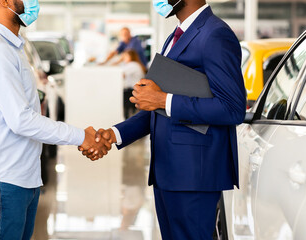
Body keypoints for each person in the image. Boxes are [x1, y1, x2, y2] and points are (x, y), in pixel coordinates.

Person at [82, 0, 246, 239]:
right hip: (169, 172)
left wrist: (164, 100)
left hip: (194, 177)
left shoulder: (216, 34)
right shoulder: (176, 36)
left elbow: (232, 108)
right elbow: (156, 109)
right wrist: (115, 134)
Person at [0, 0, 110, 239]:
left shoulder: (12, 46)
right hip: (2, 179)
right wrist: (81, 136)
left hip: (20, 176)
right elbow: (21, 120)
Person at [121, 50, 147, 119]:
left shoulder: (132, 65)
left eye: (126, 56)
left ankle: (126, 118)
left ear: (131, 56)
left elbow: (121, 75)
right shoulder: (137, 64)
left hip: (131, 91)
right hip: (137, 90)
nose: (124, 58)